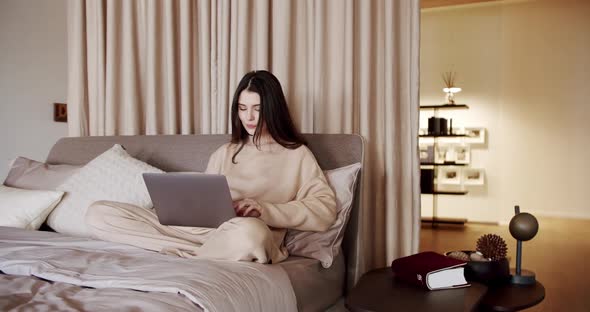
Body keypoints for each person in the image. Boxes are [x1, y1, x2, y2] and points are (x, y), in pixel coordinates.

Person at [86, 70, 337, 264]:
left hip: (244, 233)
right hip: (200, 233)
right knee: (98, 213)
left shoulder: (297, 154)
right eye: (242, 108)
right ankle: (198, 252)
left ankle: (189, 255)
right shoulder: (224, 152)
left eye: (257, 109)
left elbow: (324, 210)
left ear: (273, 110)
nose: (248, 117)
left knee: (252, 234)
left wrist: (265, 210)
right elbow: (203, 203)